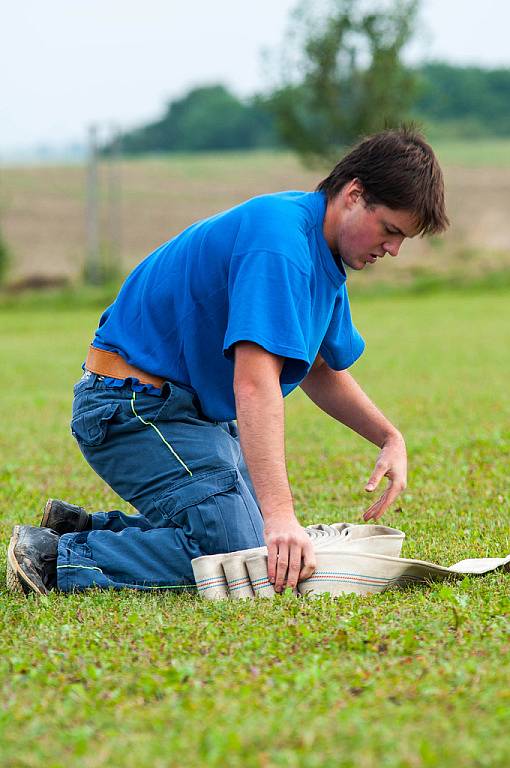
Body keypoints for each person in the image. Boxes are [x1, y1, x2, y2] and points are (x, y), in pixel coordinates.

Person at [7, 127, 448, 597]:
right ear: (354, 195)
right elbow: (255, 385)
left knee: (256, 541)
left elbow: (318, 367)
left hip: (185, 414)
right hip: (130, 408)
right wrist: (280, 517)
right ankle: (56, 557)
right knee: (242, 551)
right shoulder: (279, 242)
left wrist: (388, 436)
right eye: (391, 230)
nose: (394, 249)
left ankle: (78, 527)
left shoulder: (321, 255)